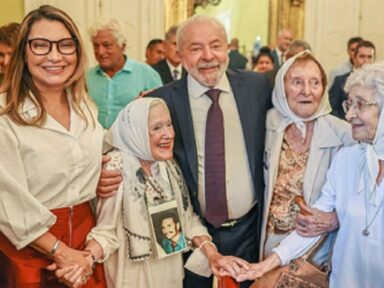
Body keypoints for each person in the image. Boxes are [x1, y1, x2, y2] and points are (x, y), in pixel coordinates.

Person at [97, 15, 272, 288]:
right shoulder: (162, 100)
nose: (208, 56)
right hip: (186, 234)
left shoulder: (257, 87)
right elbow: (125, 144)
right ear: (179, 54)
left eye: (215, 45)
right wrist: (102, 170)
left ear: (228, 48)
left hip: (248, 230)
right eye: (195, 48)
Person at [237, 61, 384, 288]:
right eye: (349, 104)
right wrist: (267, 265)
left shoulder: (340, 138)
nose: (350, 115)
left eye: (361, 105)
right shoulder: (347, 160)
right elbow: (312, 225)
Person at [85, 97, 248, 288]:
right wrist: (86, 259)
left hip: (169, 273)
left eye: (169, 125)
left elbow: (187, 221)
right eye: (156, 128)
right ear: (135, 131)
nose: (168, 134)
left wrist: (213, 255)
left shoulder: (167, 166)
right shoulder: (117, 166)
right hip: (132, 277)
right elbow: (106, 231)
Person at [0, 5, 107, 287]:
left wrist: (103, 172)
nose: (55, 56)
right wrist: (61, 251)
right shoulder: (4, 114)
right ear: (23, 51)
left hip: (85, 244)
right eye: (41, 46)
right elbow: (8, 201)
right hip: (28, 250)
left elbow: (94, 157)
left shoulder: (85, 107)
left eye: (65, 45)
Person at [257, 50, 354, 270]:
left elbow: (359, 200)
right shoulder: (265, 125)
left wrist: (333, 219)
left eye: (315, 83)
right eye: (297, 82)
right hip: (267, 245)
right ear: (282, 87)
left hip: (318, 250)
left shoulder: (344, 134)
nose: (306, 91)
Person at [87, 18, 162, 128]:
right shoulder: (85, 77)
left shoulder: (147, 75)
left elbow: (161, 116)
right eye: (96, 46)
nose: (100, 51)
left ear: (122, 45)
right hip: (94, 144)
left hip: (133, 144)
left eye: (107, 45)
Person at [329, 40, 375, 119]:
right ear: (354, 58)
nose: (366, 61)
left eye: (369, 57)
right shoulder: (340, 81)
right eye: (362, 56)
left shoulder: (379, 83)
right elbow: (332, 109)